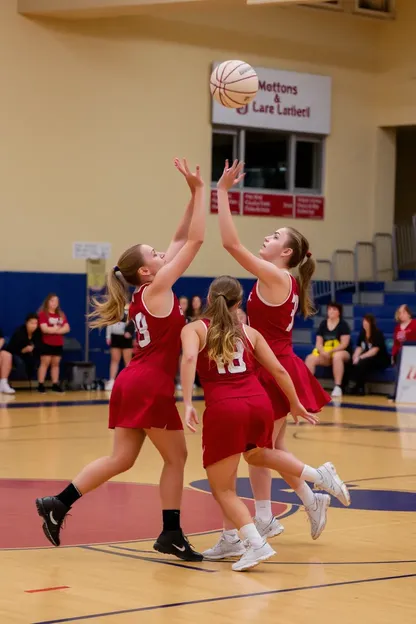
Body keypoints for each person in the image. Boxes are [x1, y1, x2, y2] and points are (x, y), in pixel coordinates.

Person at [35, 158, 206, 561]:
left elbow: (180, 236)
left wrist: (193, 193)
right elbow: (195, 242)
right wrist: (203, 194)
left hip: (133, 380)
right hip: (148, 383)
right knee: (177, 457)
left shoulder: (144, 293)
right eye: (156, 253)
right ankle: (171, 533)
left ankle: (57, 503)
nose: (165, 251)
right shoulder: (159, 287)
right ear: (147, 271)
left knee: (122, 459)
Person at [203, 160, 331, 561]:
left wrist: (221, 192)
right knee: (268, 445)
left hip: (274, 366)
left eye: (274, 236)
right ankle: (301, 501)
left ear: (287, 252)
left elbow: (230, 245)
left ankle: (289, 501)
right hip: (269, 363)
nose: (266, 237)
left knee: (259, 447)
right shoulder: (273, 280)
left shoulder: (277, 277)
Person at [181, 276, 350, 571]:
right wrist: (295, 402)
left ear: (209, 300)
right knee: (256, 454)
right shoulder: (250, 333)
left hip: (225, 408)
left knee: (222, 488)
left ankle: (255, 544)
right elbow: (280, 371)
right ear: (238, 304)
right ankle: (317, 476)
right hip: (259, 403)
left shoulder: (194, 329)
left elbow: (188, 360)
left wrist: (185, 403)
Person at [306, 302, 351, 398]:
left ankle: (338, 387)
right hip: (325, 353)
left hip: (341, 352)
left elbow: (344, 344)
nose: (331, 311)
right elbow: (318, 343)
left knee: (337, 356)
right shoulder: (323, 324)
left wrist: (331, 351)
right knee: (310, 358)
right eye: (330, 309)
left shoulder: (343, 325)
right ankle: (308, 386)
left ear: (339, 312)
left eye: (334, 309)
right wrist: (322, 352)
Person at [0, 314, 41, 394]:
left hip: (28, 356)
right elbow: (13, 347)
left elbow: (1, 339)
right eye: (32, 323)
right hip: (18, 354)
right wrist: (22, 351)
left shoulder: (38, 333)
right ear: (26, 323)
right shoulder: (19, 332)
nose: (34, 326)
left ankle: (3, 383)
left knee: (6, 355)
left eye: (35, 323)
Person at [37, 294, 70, 394]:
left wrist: (54, 330)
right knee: (45, 363)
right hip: (46, 343)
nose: (54, 303)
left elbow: (67, 328)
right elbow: (44, 329)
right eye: (52, 301)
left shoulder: (61, 314)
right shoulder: (42, 314)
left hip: (58, 343)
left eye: (56, 301)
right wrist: (58, 329)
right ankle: (40, 385)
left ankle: (55, 384)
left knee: (56, 364)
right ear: (47, 301)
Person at [351, 314, 390, 395]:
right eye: (364, 321)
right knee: (353, 362)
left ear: (371, 323)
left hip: (379, 359)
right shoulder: (362, 333)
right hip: (368, 358)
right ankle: (348, 385)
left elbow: (374, 350)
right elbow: (359, 347)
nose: (364, 323)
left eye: (367, 321)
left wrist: (360, 357)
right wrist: (355, 356)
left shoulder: (378, 333)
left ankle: (360, 387)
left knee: (362, 362)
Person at [105, 305, 135, 391]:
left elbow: (134, 323)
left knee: (128, 361)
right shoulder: (114, 309)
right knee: (115, 360)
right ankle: (111, 381)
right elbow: (109, 323)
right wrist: (108, 337)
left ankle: (129, 381)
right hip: (115, 337)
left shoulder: (130, 309)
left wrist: (130, 332)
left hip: (126, 338)